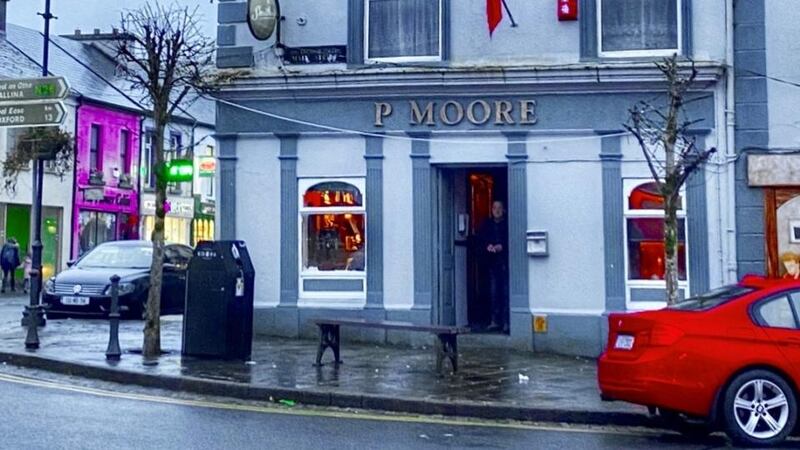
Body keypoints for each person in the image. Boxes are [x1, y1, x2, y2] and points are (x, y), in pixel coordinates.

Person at [477, 200, 509, 333]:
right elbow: (480, 239)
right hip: (492, 263)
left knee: (506, 293)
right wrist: (488, 246)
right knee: (494, 292)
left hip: (506, 263)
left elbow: (511, 239)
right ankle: (495, 321)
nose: (497, 210)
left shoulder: (508, 224)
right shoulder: (486, 224)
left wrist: (502, 246)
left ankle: (507, 321)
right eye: (494, 207)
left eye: (499, 207)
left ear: (504, 210)